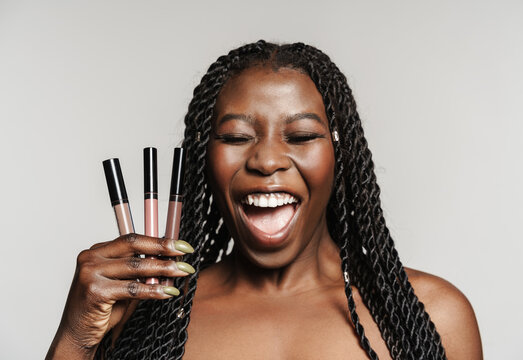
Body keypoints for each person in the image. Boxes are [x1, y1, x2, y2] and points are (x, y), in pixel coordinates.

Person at [47, 41, 483, 360]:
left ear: (339, 154)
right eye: (237, 137)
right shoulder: (145, 318)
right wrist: (74, 340)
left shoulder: (434, 317)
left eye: (301, 136)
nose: (267, 159)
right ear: (204, 159)